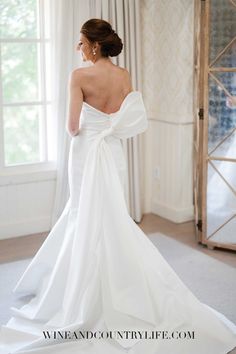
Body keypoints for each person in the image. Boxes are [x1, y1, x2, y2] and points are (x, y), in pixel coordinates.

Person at [0, 18, 236, 354]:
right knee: (111, 214)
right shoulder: (123, 75)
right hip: (112, 152)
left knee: (84, 213)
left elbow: (71, 127)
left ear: (94, 46)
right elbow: (123, 116)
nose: (78, 48)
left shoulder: (79, 76)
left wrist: (84, 123)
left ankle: (80, 289)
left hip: (85, 151)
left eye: (81, 43)